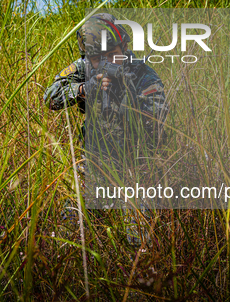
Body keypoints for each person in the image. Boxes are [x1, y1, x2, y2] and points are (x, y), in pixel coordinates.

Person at [44, 13, 168, 244]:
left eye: (112, 55)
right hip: (94, 161)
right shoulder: (84, 67)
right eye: (98, 58)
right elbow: (50, 98)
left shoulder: (142, 72)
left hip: (136, 164)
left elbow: (159, 114)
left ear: (125, 46)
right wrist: (84, 89)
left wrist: (127, 96)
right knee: (70, 231)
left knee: (138, 237)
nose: (106, 62)